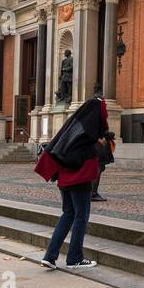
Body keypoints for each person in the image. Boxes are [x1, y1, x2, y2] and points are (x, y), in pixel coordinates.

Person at [32, 96, 110, 269]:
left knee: (68, 214)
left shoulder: (73, 128)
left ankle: (50, 256)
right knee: (81, 216)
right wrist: (100, 145)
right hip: (79, 179)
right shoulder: (88, 135)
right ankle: (74, 258)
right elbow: (88, 157)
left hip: (64, 179)